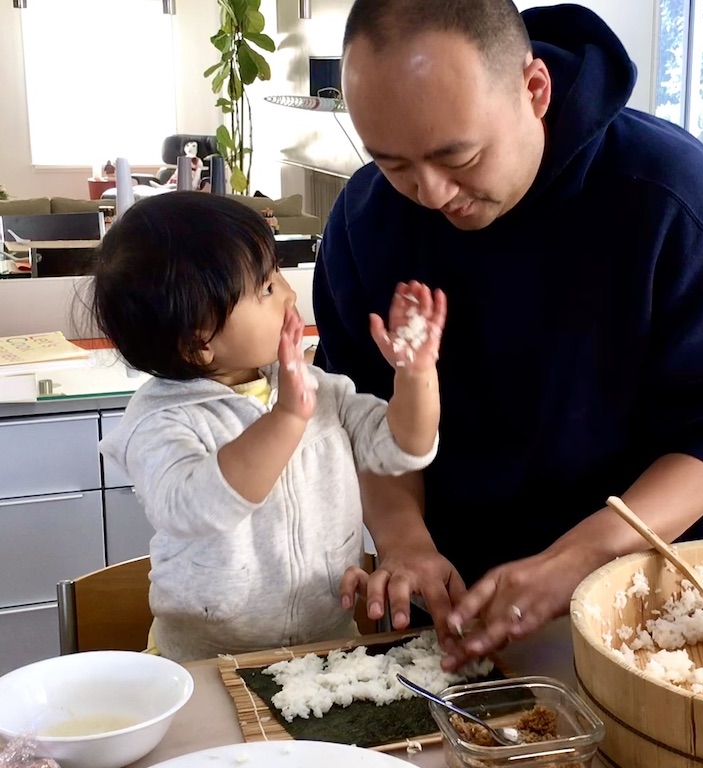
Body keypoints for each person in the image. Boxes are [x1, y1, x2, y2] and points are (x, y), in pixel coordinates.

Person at [312, 0, 703, 671]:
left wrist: (578, 559)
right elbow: (364, 414)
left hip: (630, 599)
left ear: (534, 90)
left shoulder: (663, 196)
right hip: (447, 607)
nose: (431, 192)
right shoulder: (368, 220)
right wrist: (404, 539)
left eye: (460, 156)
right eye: (394, 164)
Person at [90, 191, 446, 663]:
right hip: (206, 663)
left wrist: (416, 375)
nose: (289, 293)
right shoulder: (161, 420)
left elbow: (404, 446)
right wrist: (286, 420)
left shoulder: (316, 387)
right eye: (265, 288)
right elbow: (194, 507)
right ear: (199, 343)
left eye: (276, 273)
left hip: (325, 650)